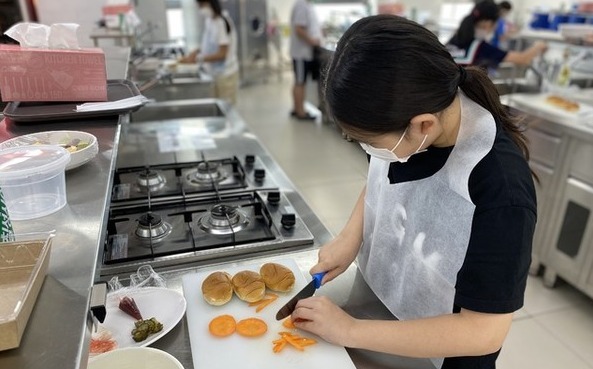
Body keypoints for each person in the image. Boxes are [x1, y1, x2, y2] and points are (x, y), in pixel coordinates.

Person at [290, 14, 536, 369]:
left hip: (441, 355)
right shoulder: (422, 121)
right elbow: (383, 175)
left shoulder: (502, 191)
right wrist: (350, 236)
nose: (370, 153)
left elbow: (484, 332)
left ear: (423, 125)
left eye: (371, 143)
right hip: (383, 309)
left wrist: (349, 330)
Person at [447, 0, 546, 69]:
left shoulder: (455, 38)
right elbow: (522, 59)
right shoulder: (480, 47)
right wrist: (538, 46)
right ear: (488, 23)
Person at [179, 0, 239, 104]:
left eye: (202, 5)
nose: (200, 9)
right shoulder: (210, 20)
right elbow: (209, 44)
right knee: (216, 105)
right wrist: (196, 51)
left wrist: (198, 59)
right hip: (214, 73)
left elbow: (222, 54)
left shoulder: (222, 22)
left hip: (226, 74)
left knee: (226, 109)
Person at [289, 0, 322, 121]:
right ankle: (300, 112)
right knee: (300, 82)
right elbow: (299, 29)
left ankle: (296, 108)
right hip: (301, 53)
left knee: (299, 81)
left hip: (304, 52)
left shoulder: (308, 5)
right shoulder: (301, 5)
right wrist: (312, 41)